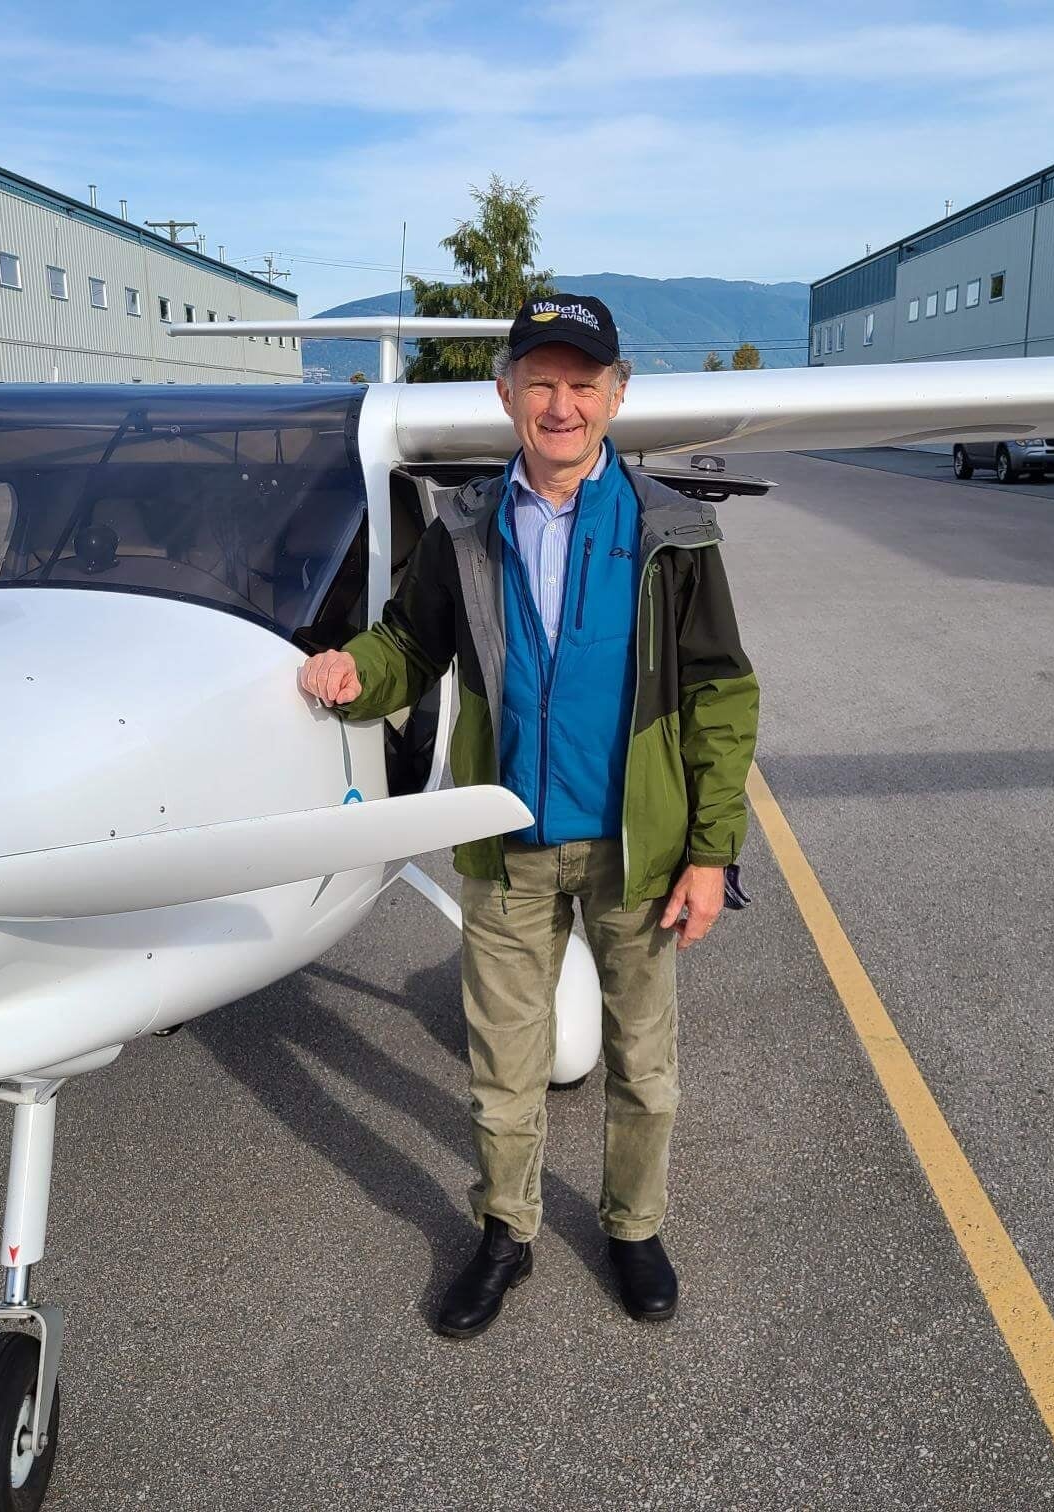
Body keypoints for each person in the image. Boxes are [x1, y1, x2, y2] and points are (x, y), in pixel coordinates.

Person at [297, 293, 758, 1336]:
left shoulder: (669, 534)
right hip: (505, 841)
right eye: (540, 382)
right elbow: (407, 648)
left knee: (645, 1065)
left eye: (582, 384)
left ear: (616, 395)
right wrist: (346, 674)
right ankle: (506, 1232)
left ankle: (634, 1228)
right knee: (502, 1066)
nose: (561, 405)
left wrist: (709, 851)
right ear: (506, 393)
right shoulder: (465, 528)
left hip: (634, 850)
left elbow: (723, 692)